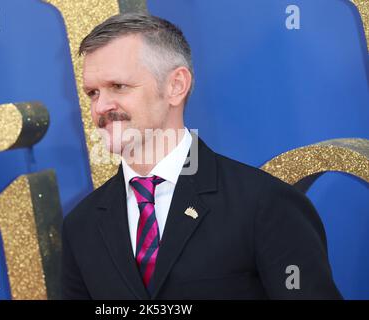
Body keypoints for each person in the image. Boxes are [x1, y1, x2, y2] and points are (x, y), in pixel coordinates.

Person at [61, 13, 342, 299]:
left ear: (175, 86)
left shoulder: (265, 205)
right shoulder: (81, 227)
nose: (100, 107)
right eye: (93, 93)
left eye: (118, 86)